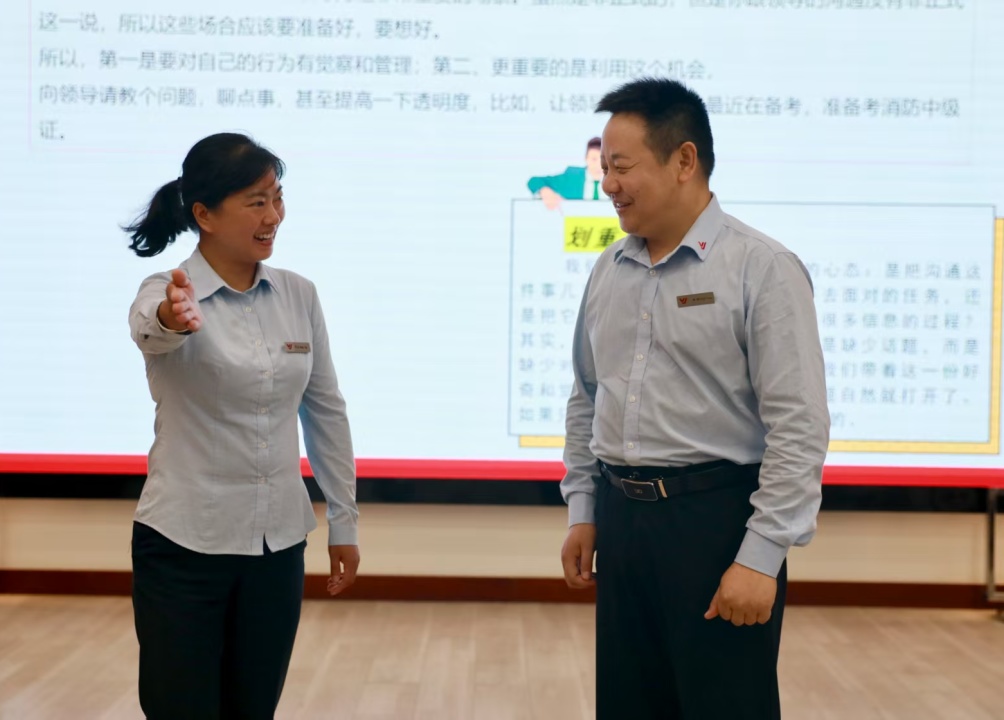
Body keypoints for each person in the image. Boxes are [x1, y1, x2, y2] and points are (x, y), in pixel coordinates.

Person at [558, 78, 830, 719]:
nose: (608, 184)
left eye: (622, 167)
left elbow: (798, 426)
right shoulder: (609, 268)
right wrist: (583, 509)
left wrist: (761, 557)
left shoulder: (762, 267)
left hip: (716, 526)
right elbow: (587, 397)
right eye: (605, 168)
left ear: (684, 160)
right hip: (623, 526)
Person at [123, 132, 360, 720]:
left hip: (276, 546)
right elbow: (150, 328)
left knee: (253, 708)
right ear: (204, 214)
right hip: (183, 544)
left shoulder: (299, 295)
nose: (273, 216)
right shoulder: (165, 290)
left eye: (277, 198)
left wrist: (344, 520)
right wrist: (172, 317)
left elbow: (325, 410)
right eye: (256, 202)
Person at [527, 136, 607, 210]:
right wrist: (545, 191)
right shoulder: (572, 177)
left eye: (602, 159)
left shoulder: (614, 180)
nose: (599, 164)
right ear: (586, 158)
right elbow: (534, 181)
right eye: (594, 159)